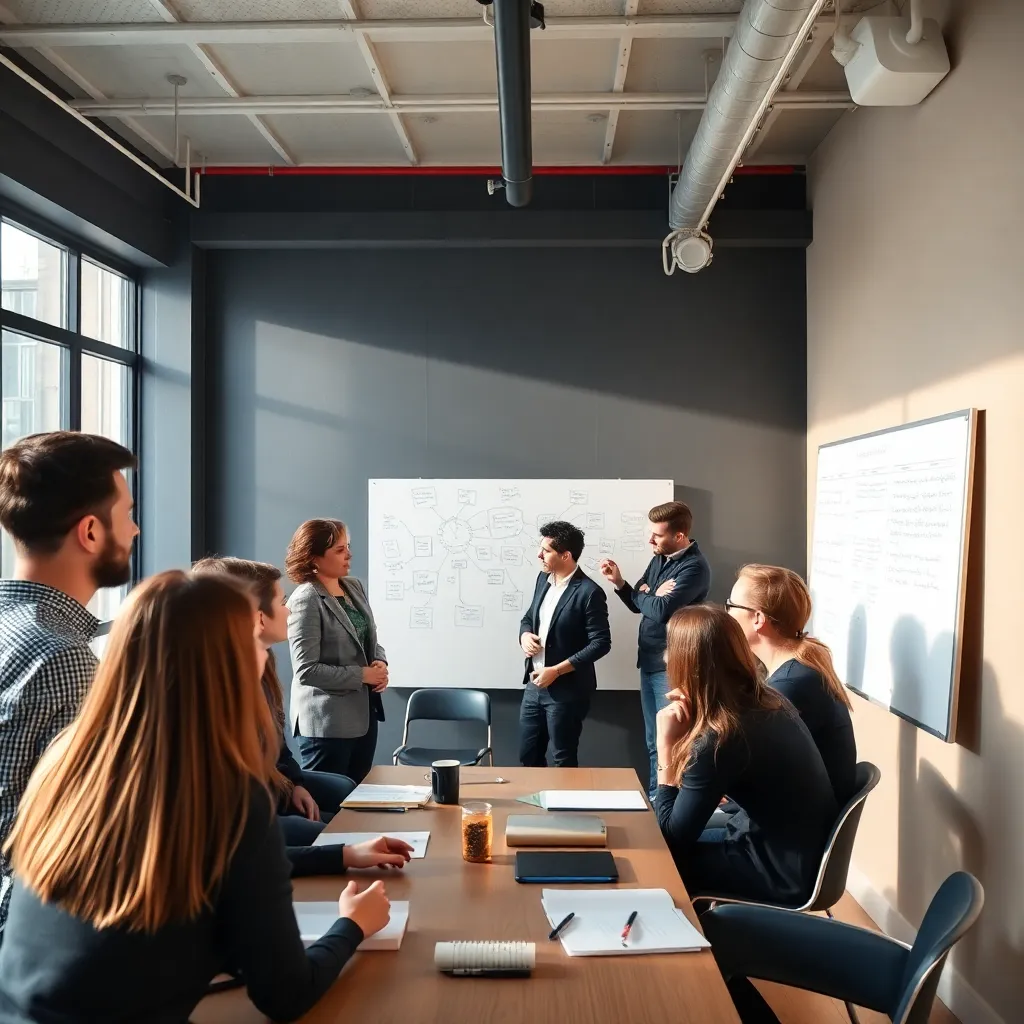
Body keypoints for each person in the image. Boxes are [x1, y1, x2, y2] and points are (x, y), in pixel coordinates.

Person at [0, 571, 411, 1023]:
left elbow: (221, 862)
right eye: (253, 645)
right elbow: (287, 995)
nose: (263, 656)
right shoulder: (223, 791)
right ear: (228, 663)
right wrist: (354, 923)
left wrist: (342, 854)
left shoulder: (67, 762)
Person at [0, 431, 138, 937]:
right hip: (37, 933)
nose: (136, 529)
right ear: (90, 532)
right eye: (126, 514)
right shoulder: (62, 658)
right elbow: (62, 834)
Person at [654, 605, 837, 906]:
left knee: (660, 864)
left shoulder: (721, 738)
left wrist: (666, 744)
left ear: (687, 663)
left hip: (778, 872)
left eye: (670, 648)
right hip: (794, 856)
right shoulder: (765, 699)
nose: (664, 657)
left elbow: (671, 838)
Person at [192, 557, 356, 844]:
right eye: (282, 602)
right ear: (258, 617)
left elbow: (277, 746)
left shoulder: (262, 663)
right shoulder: (215, 688)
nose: (289, 610)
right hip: (250, 813)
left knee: (342, 798)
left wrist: (295, 785)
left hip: (273, 790)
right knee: (332, 833)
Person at [600, 500, 711, 800]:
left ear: (679, 536)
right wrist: (624, 585)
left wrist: (649, 597)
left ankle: (672, 806)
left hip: (672, 665)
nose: (650, 540)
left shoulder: (695, 567)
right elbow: (641, 604)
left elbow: (661, 610)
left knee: (673, 739)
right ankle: (656, 800)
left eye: (657, 535)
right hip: (648, 660)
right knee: (654, 740)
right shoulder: (659, 559)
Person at [726, 564, 857, 804]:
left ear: (758, 618)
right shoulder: (802, 668)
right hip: (796, 821)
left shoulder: (789, 687)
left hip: (790, 833)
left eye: (731, 606)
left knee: (669, 836)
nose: (727, 614)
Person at [286, 519, 387, 784]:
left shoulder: (353, 587)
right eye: (340, 550)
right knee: (328, 811)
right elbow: (306, 670)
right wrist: (362, 675)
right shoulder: (306, 599)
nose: (349, 555)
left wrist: (379, 662)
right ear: (314, 558)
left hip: (363, 718)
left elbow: (367, 637)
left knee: (357, 803)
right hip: (326, 726)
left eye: (348, 547)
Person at [518, 521, 611, 768]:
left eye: (546, 550)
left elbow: (601, 643)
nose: (539, 555)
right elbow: (529, 617)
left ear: (565, 555)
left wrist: (556, 671)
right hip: (534, 685)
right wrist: (525, 635)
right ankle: (531, 806)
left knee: (563, 758)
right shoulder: (543, 579)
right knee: (528, 756)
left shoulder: (590, 592)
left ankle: (563, 808)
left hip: (567, 692)